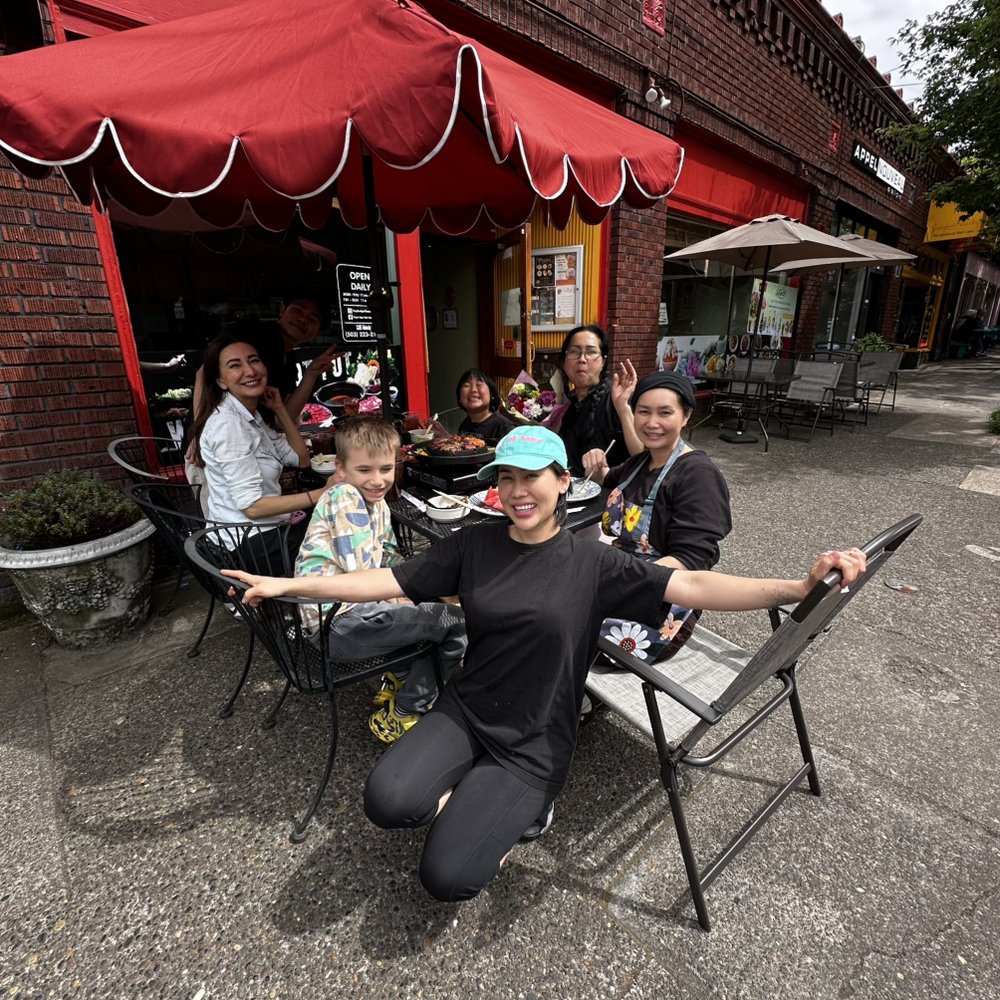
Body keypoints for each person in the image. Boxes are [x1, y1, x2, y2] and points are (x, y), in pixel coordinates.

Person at [222, 426, 867, 904]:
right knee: (385, 800)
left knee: (445, 877)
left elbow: (695, 588)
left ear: (564, 482)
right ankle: (471, 798)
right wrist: (284, 588)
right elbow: (385, 579)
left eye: (532, 477)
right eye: (506, 478)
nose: (516, 491)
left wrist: (793, 586)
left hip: (534, 739)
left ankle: (526, 808)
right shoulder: (473, 543)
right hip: (468, 709)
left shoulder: (595, 563)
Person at [294, 417, 467, 743]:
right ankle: (404, 710)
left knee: (431, 606)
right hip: (337, 624)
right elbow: (364, 579)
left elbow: (392, 562)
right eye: (365, 470)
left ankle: (399, 678)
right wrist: (419, 597)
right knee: (458, 624)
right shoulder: (343, 496)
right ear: (341, 468)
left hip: (344, 617)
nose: (378, 480)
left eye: (386, 469)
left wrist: (427, 591)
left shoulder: (377, 504)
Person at [591, 370, 732, 660]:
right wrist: (593, 461)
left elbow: (692, 560)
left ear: (686, 416)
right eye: (643, 411)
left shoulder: (698, 475)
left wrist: (615, 581)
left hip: (659, 607)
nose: (652, 423)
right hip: (623, 577)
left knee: (556, 619)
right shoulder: (641, 462)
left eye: (665, 412)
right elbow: (607, 478)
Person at [190, 332, 335, 562]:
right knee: (347, 532)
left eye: (254, 360)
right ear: (220, 381)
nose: (250, 371)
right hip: (250, 544)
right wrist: (324, 493)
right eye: (235, 365)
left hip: (266, 530)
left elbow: (302, 459)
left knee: (341, 518)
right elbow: (253, 507)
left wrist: (279, 409)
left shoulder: (250, 416)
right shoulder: (228, 424)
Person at [556, 324, 633, 477]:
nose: (582, 359)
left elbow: (641, 454)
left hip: (611, 495)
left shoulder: (617, 398)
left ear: (603, 361)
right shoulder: (569, 403)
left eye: (591, 352)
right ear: (564, 361)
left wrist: (624, 409)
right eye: (574, 351)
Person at [454, 368, 518, 442]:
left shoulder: (504, 427)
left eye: (479, 384)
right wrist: (446, 436)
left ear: (492, 394)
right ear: (459, 398)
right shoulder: (465, 424)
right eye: (466, 385)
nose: (473, 390)